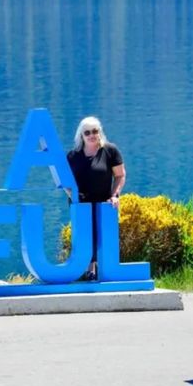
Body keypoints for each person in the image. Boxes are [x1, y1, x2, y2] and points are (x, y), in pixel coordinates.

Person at [66, 116, 126, 281]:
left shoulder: (110, 151)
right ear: (81, 136)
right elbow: (64, 182)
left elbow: (120, 176)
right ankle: (89, 270)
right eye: (87, 132)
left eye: (95, 131)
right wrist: (74, 196)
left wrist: (115, 195)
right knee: (85, 236)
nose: (92, 135)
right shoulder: (72, 156)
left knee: (101, 235)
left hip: (104, 204)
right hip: (81, 204)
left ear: (100, 132)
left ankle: (100, 270)